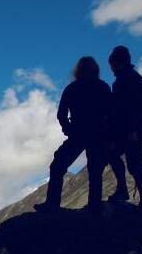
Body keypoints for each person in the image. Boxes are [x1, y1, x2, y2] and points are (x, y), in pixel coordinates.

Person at [35, 56, 112, 214]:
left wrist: (68, 129)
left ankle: (52, 204)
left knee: (58, 166)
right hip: (98, 134)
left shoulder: (72, 88)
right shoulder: (103, 87)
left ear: (78, 71)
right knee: (95, 170)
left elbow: (61, 114)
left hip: (78, 134)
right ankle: (94, 205)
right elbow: (111, 113)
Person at [105, 45, 142, 212]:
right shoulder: (131, 79)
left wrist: (135, 131)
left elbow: (131, 109)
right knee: (133, 164)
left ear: (117, 63)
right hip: (128, 131)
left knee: (135, 166)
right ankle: (132, 196)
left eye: (111, 65)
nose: (110, 69)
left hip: (129, 132)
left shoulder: (128, 81)